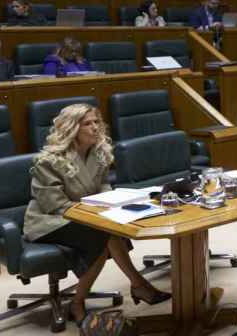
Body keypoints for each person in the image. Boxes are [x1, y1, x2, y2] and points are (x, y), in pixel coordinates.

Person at [23, 104, 170, 325]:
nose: (95, 128)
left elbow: (102, 185)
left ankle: (138, 285)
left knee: (109, 229)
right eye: (87, 124)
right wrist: (97, 213)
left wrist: (111, 202)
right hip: (49, 221)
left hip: (86, 214)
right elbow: (55, 204)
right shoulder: (48, 160)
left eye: (96, 122)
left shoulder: (98, 151)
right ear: (72, 129)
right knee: (103, 234)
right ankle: (80, 301)